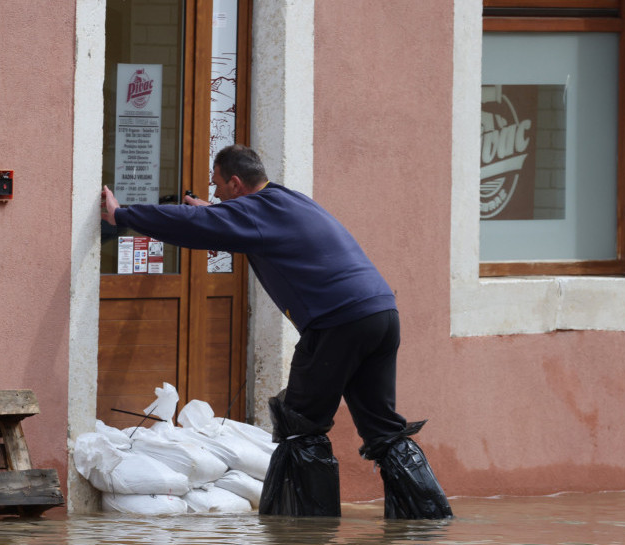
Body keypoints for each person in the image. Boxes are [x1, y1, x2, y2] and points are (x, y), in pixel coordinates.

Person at [100, 145, 452, 519]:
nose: (215, 193)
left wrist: (121, 214)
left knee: (300, 424)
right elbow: (226, 220)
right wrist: (216, 212)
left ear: (235, 183)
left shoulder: (255, 212)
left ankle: (307, 534)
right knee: (383, 430)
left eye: (218, 185)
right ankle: (428, 519)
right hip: (380, 315)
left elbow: (195, 228)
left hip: (337, 323)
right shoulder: (286, 200)